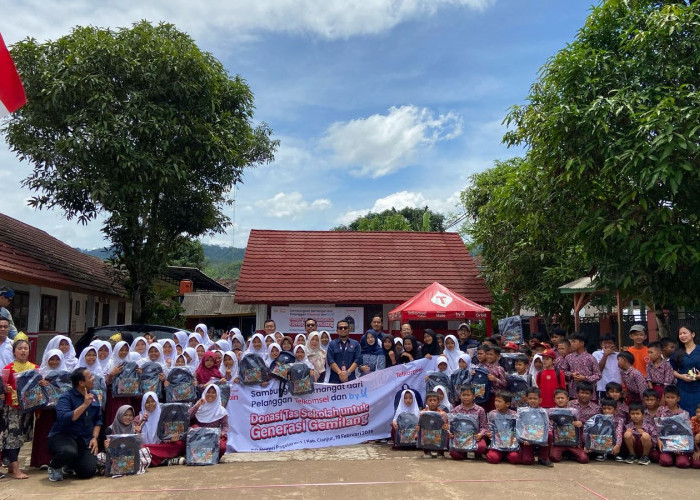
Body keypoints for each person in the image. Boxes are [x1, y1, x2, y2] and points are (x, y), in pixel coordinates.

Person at [47, 367, 102, 481]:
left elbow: (98, 419)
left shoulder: (94, 396)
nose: (93, 379)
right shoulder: (66, 397)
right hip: (64, 436)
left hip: (84, 439)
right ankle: (54, 466)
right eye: (90, 377)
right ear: (81, 383)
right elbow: (64, 418)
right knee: (68, 451)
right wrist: (84, 405)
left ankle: (69, 464)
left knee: (87, 471)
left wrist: (94, 438)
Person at [2, 339, 37, 479]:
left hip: (27, 408)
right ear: (14, 351)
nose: (23, 351)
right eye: (20, 348)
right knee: (12, 436)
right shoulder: (8, 369)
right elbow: (2, 388)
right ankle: (15, 468)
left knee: (21, 436)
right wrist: (6, 389)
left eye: (25, 348)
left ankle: (11, 465)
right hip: (12, 408)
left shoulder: (35, 368)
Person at [31, 349, 67, 469]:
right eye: (51, 359)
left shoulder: (66, 374)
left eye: (57, 359)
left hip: (61, 411)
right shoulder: (40, 374)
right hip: (45, 411)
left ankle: (59, 460)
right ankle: (43, 460)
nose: (54, 362)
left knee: (60, 434)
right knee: (44, 433)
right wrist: (40, 384)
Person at [135, 391, 185, 466]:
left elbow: (168, 435)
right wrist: (140, 424)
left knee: (180, 444)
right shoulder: (138, 419)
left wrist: (172, 439)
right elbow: (135, 440)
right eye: (147, 402)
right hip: (146, 447)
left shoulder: (164, 416)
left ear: (157, 402)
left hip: (160, 447)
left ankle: (157, 460)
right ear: (143, 404)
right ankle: (165, 461)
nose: (150, 404)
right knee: (142, 450)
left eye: (153, 401)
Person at [100, 405, 151, 474]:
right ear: (120, 415)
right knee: (100, 457)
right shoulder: (109, 430)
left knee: (145, 452)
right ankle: (126, 469)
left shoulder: (134, 428)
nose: (128, 418)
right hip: (115, 457)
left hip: (130, 457)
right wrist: (106, 447)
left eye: (130, 415)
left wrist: (138, 433)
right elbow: (105, 450)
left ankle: (117, 469)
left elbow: (138, 448)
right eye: (125, 415)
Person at [189, 384, 228, 461]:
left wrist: (222, 433)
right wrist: (197, 405)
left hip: (213, 437)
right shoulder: (199, 406)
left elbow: (225, 426)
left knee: (222, 447)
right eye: (208, 392)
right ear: (205, 393)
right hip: (199, 437)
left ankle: (210, 457)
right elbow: (189, 416)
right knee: (194, 428)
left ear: (217, 395)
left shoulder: (221, 411)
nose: (210, 394)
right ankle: (199, 457)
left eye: (213, 392)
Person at [448, 385, 488, 460]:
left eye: (468, 395)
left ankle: (476, 453)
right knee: (454, 454)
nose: (465, 397)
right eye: (463, 395)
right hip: (460, 439)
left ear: (474, 396)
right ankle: (464, 453)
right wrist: (450, 433)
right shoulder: (455, 410)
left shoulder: (480, 410)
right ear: (460, 396)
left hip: (474, 438)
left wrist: (480, 434)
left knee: (481, 447)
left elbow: (484, 427)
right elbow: (451, 426)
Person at [548, 389, 587, 464]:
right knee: (554, 457)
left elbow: (579, 424)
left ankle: (572, 453)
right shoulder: (551, 411)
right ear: (554, 400)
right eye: (558, 398)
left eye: (562, 398)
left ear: (567, 399)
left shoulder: (574, 411)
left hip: (572, 441)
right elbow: (549, 426)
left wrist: (579, 423)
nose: (560, 400)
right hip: (558, 441)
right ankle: (562, 453)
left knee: (584, 459)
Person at [519, 388, 553, 467]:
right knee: (527, 461)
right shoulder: (522, 412)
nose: (532, 401)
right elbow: (519, 426)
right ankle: (528, 455)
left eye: (535, 398)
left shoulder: (544, 412)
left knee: (550, 434)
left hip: (541, 436)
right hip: (527, 438)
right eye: (530, 398)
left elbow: (548, 425)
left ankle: (543, 457)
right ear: (527, 399)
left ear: (540, 400)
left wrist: (543, 436)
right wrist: (523, 438)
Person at [560, 333, 601, 399]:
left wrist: (584, 378)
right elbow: (562, 371)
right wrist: (571, 374)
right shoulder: (568, 357)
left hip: (588, 392)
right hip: (573, 392)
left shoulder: (591, 358)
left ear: (582, 343)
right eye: (571, 342)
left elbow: (598, 375)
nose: (572, 344)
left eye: (574, 342)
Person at [670, 325, 700, 414]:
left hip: (698, 388)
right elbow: (671, 370)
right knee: (684, 416)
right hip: (683, 389)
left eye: (684, 333)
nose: (682, 336)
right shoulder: (676, 352)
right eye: (680, 334)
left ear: (693, 334)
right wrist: (681, 376)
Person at [485, 392, 520, 465]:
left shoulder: (514, 415)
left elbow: (518, 429)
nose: (496, 403)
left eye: (499, 401)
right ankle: (500, 455)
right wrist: (488, 433)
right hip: (497, 444)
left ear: (507, 404)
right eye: (496, 401)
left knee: (515, 458)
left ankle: (505, 455)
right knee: (492, 458)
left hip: (510, 444)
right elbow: (489, 427)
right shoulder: (492, 414)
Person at [326, 320, 361, 384]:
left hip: (351, 379)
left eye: (345, 328)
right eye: (340, 328)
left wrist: (347, 373)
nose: (343, 329)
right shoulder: (332, 344)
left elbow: (357, 360)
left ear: (348, 330)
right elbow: (330, 360)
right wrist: (340, 373)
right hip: (335, 379)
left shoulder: (356, 343)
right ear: (337, 331)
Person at [592, 336, 621, 402]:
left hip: (617, 388)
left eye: (610, 343)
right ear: (601, 344)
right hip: (602, 387)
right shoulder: (596, 354)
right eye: (605, 343)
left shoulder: (619, 355)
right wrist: (605, 355)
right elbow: (598, 369)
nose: (608, 345)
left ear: (614, 344)